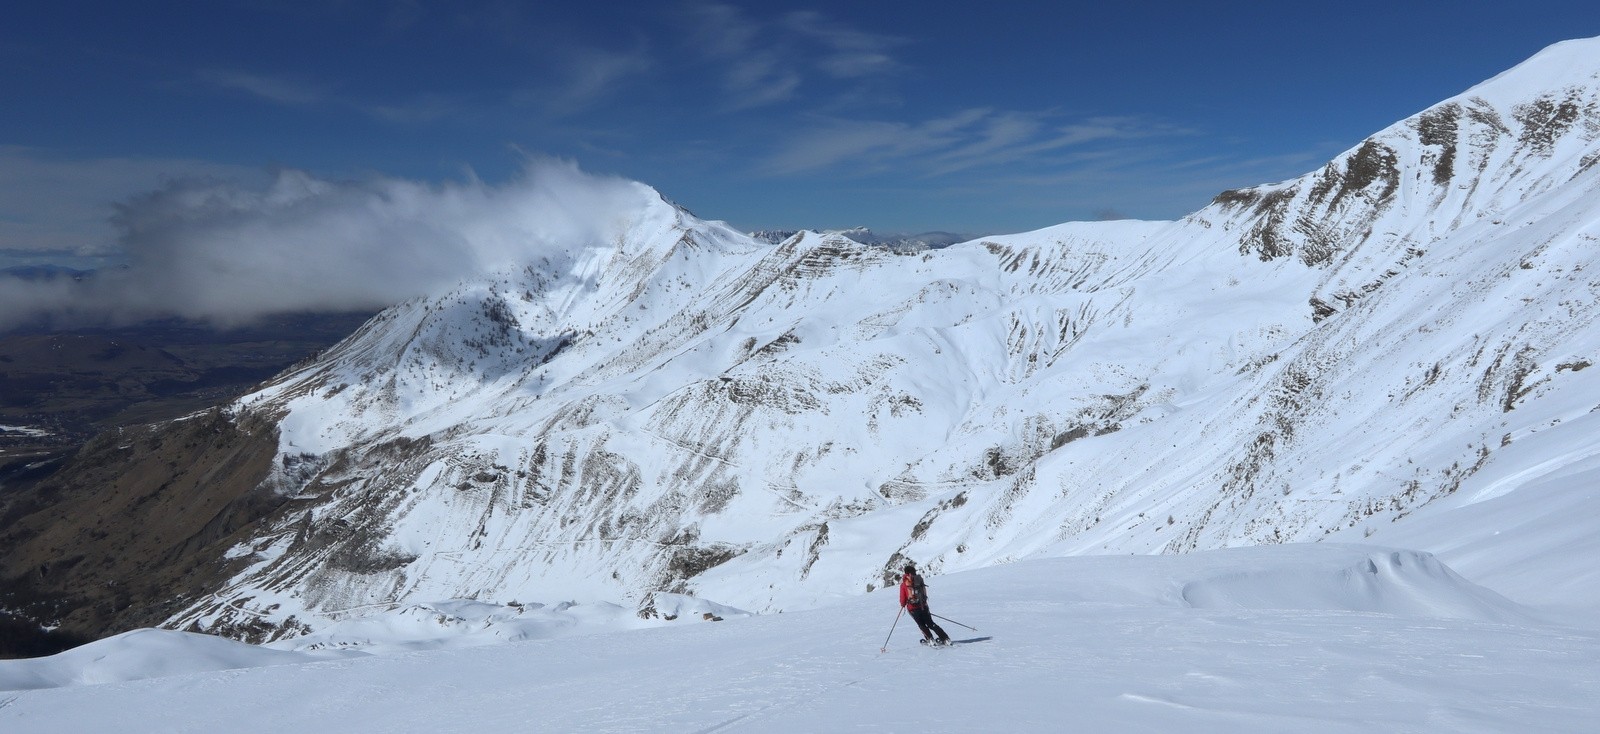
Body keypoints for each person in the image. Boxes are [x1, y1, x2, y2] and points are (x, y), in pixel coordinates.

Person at [899, 562, 950, 645]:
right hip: (923, 606)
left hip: (913, 608)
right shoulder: (919, 580)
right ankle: (945, 638)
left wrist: (902, 604)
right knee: (931, 623)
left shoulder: (904, 584)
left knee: (921, 624)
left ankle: (930, 639)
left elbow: (902, 598)